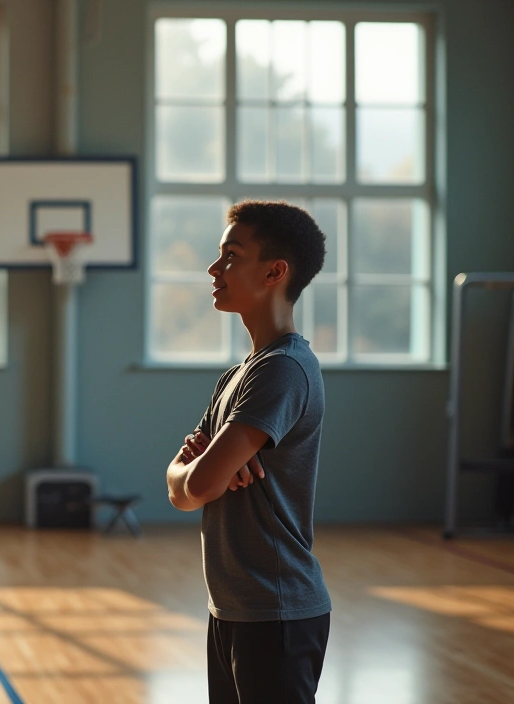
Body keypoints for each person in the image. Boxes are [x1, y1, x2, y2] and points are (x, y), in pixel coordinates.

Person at [165, 200, 332, 704]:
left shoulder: (283, 369)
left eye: (231, 255)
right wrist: (200, 467)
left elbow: (197, 484)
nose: (214, 269)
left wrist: (200, 469)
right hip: (233, 608)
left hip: (277, 611)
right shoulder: (237, 376)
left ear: (275, 271)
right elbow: (182, 485)